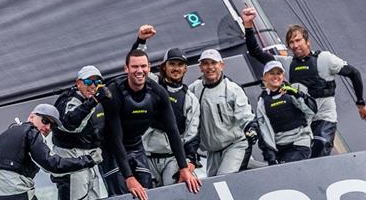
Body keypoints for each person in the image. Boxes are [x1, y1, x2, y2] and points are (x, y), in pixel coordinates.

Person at [242, 6, 366, 157]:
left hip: (324, 117)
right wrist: (248, 25)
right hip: (302, 123)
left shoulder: (325, 59)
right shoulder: (286, 64)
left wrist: (361, 104)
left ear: (307, 41)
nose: (295, 45)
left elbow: (354, 73)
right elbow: (255, 52)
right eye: (291, 42)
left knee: (320, 144)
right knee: (303, 155)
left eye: (298, 40)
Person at [99, 48, 201, 200]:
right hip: (112, 149)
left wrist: (184, 168)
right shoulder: (114, 92)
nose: (139, 71)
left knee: (147, 194)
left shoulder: (158, 93)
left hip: (136, 145)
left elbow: (173, 131)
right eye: (134, 67)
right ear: (126, 68)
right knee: (124, 194)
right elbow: (115, 138)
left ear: (149, 67)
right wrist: (129, 177)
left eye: (143, 66)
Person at [0, 104, 102, 200]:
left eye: (52, 126)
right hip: (16, 196)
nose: (48, 127)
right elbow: (52, 165)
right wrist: (89, 160)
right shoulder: (31, 132)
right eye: (45, 121)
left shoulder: (5, 134)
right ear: (31, 117)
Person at [131, 26, 200, 186]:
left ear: (185, 69)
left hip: (172, 159)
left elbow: (192, 133)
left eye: (180, 65)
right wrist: (141, 40)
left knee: (177, 195)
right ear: (164, 66)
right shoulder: (151, 83)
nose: (176, 68)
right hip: (145, 156)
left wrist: (190, 160)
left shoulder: (190, 99)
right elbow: (136, 64)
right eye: (172, 64)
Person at [189, 49, 258, 177]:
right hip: (212, 151)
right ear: (200, 67)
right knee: (213, 185)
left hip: (235, 145)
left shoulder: (233, 89)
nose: (210, 67)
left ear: (221, 65)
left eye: (213, 63)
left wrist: (251, 127)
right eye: (205, 63)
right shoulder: (193, 89)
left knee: (224, 179)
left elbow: (245, 115)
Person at [51, 65, 109, 200]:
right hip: (71, 161)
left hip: (90, 160)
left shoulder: (98, 99)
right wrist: (92, 102)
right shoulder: (68, 100)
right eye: (88, 82)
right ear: (78, 83)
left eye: (97, 82)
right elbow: (71, 125)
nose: (93, 86)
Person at [255, 62, 317, 165]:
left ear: (283, 76)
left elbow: (312, 111)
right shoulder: (262, 102)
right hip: (280, 148)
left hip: (300, 142)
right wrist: (271, 157)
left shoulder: (293, 92)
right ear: (264, 77)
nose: (276, 76)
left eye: (279, 73)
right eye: (272, 73)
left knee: (288, 165)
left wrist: (296, 93)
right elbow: (264, 131)